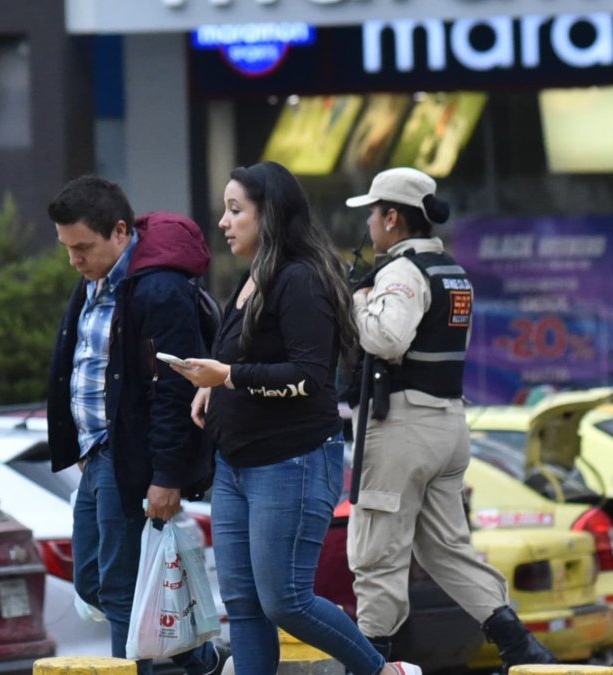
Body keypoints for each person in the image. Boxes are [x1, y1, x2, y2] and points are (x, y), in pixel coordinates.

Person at [169, 161, 422, 675]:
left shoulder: (299, 278)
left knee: (285, 600)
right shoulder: (252, 279)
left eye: (236, 210)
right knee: (243, 605)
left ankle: (382, 672)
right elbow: (237, 361)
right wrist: (210, 391)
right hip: (236, 463)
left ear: (271, 215)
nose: (224, 221)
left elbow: (308, 376)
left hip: (292, 462)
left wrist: (229, 378)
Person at [343, 167, 557, 668]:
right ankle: (521, 646)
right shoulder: (452, 272)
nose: (370, 225)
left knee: (377, 556)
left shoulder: (400, 272)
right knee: (447, 551)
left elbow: (387, 339)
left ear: (392, 218)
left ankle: (373, 663)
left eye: (374, 214)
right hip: (447, 426)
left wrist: (355, 299)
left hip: (402, 429)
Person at [45, 176, 224, 675]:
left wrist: (166, 476)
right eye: (67, 248)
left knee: (121, 589)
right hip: (98, 452)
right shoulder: (94, 282)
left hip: (132, 457)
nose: (74, 259)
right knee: (94, 584)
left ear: (120, 231)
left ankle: (182, 661)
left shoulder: (158, 289)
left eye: (82, 247)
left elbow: (174, 389)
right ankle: (201, 658)